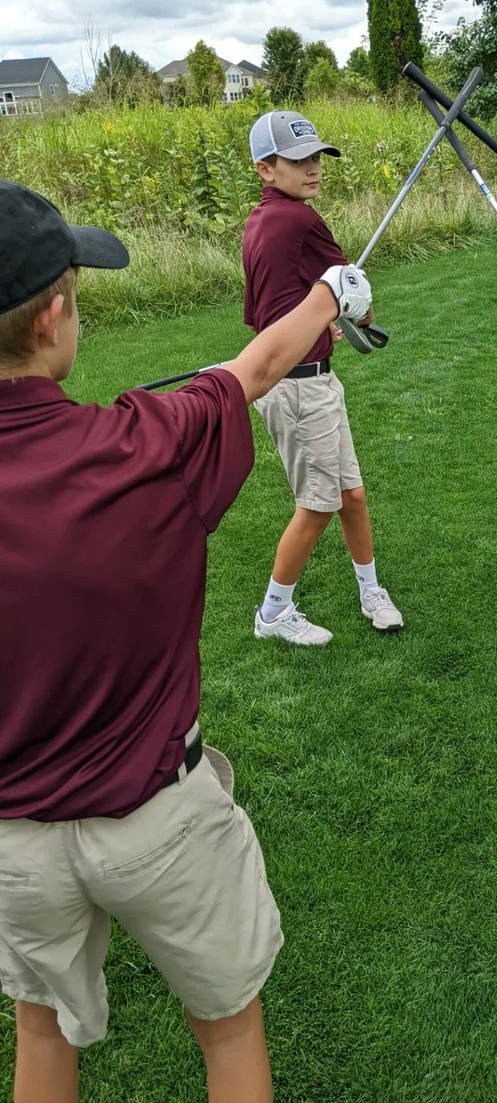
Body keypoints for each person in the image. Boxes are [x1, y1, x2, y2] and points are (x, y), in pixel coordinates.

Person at [0, 179, 370, 1100]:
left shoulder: (143, 434)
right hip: (159, 821)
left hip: (13, 848)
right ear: (52, 319)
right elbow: (250, 371)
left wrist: (319, 294)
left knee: (41, 1032)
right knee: (231, 1029)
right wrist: (332, 297)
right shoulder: (146, 444)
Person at [244, 110, 403, 647]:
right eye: (297, 160)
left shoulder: (259, 220)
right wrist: (353, 312)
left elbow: (269, 313)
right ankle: (273, 613)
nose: (312, 168)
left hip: (302, 377)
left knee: (351, 495)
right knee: (317, 506)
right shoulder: (300, 220)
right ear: (266, 168)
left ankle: (371, 590)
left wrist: (318, 328)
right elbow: (359, 303)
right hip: (299, 389)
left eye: (316, 157)